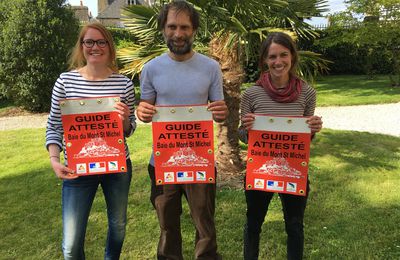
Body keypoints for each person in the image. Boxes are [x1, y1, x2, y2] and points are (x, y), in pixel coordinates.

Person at [136, 1, 228, 259]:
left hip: (200, 160)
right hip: (163, 160)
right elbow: (146, 108)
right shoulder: (151, 68)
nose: (178, 33)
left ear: (194, 30)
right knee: (167, 227)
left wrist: (222, 112)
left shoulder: (211, 67)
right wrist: (141, 112)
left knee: (205, 226)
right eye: (172, 26)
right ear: (163, 30)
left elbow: (219, 109)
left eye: (184, 27)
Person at [45, 22, 136, 260]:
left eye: (101, 42)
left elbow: (129, 130)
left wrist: (125, 119)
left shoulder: (124, 83)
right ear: (81, 46)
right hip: (77, 168)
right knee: (71, 245)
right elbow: (54, 125)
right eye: (89, 42)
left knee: (118, 227)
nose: (95, 47)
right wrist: (55, 160)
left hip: (117, 167)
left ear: (109, 46)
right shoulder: (65, 82)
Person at [239, 32, 323, 260]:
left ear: (292, 56)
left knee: (295, 226)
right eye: (272, 56)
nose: (278, 62)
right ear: (264, 60)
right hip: (260, 168)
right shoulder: (251, 94)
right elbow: (243, 138)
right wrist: (246, 129)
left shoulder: (307, 93)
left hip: (294, 169)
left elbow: (305, 139)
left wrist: (312, 129)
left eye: (283, 55)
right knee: (253, 223)